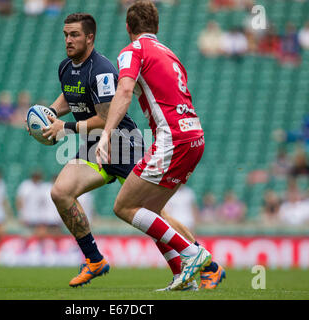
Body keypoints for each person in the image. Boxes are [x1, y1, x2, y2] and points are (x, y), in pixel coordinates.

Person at [37, 12, 222, 290]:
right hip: (94, 145)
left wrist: (65, 128)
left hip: (122, 143)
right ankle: (94, 259)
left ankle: (205, 264)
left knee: (147, 211)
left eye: (74, 34)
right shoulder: (66, 67)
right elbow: (69, 93)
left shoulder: (102, 69)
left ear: (90, 37)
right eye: (65, 35)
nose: (68, 40)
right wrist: (50, 112)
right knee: (60, 193)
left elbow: (105, 115)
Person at [95, 1, 224, 291]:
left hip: (173, 139)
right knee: (150, 211)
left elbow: (125, 91)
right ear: (156, 26)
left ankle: (195, 255)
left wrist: (105, 134)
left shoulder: (132, 51)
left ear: (128, 27)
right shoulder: (170, 54)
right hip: (194, 137)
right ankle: (184, 275)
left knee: (124, 206)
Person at [16, 172, 62, 236]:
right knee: (27, 236)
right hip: (27, 217)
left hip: (39, 218)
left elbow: (43, 202)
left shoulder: (42, 186)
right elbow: (20, 201)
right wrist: (21, 214)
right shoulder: (26, 185)